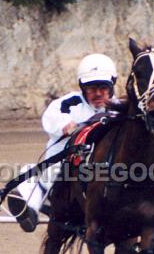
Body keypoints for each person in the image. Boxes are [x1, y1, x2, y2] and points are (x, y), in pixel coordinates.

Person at [7, 53, 118, 231]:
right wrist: (65, 125)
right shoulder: (69, 103)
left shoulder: (118, 110)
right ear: (83, 88)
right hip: (64, 164)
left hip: (106, 169)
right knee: (32, 174)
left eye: (103, 87)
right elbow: (51, 117)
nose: (98, 93)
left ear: (112, 85)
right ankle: (29, 210)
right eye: (91, 88)